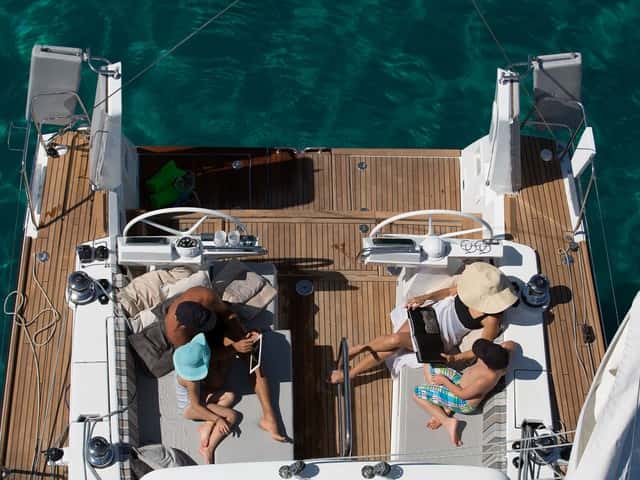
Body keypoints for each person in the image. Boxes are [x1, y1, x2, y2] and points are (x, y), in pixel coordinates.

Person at [328, 262, 518, 384]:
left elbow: (480, 349)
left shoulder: (492, 319)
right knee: (392, 344)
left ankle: (358, 353)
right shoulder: (472, 288)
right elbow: (448, 292)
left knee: (395, 340)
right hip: (430, 314)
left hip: (440, 339)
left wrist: (455, 359)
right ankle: (352, 368)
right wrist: (424, 297)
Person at [165, 286, 286, 441]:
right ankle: (210, 412)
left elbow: (227, 313)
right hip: (205, 348)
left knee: (252, 354)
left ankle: (269, 416)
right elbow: (200, 359)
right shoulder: (177, 334)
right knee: (217, 382)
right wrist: (233, 349)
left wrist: (241, 333)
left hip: (217, 330)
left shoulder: (205, 296)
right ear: (185, 326)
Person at [412, 339, 516, 447]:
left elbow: (462, 394)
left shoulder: (485, 380)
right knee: (429, 364)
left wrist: (444, 381)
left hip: (462, 402)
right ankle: (445, 407)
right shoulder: (498, 359)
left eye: (480, 355)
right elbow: (511, 344)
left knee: (417, 394)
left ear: (487, 364)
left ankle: (447, 421)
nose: (477, 355)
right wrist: (455, 358)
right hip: (460, 382)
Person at [173, 333, 238, 463]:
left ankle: (207, 426)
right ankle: (208, 449)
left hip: (197, 396)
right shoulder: (191, 382)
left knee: (229, 396)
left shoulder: (184, 362)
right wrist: (218, 419)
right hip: (189, 408)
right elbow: (196, 406)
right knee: (232, 416)